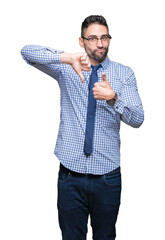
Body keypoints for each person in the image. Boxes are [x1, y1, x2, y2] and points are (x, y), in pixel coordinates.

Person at [21, 15, 144, 240]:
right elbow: (27, 53)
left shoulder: (123, 73)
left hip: (107, 177)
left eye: (104, 37)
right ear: (82, 41)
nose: (100, 43)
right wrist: (67, 58)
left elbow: (137, 119)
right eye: (93, 38)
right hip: (70, 176)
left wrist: (113, 98)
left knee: (105, 237)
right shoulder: (66, 68)